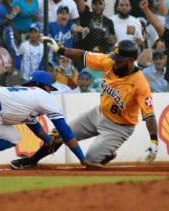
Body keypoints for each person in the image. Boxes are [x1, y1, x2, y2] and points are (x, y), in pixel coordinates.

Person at [10, 38, 159, 169]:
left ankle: (106, 152)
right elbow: (83, 55)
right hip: (99, 113)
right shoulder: (109, 62)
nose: (115, 61)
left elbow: (149, 114)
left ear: (132, 60)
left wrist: (154, 140)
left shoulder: (140, 84)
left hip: (120, 127)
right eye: (115, 57)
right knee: (61, 134)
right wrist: (60, 50)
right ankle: (32, 161)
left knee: (90, 160)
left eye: (120, 59)